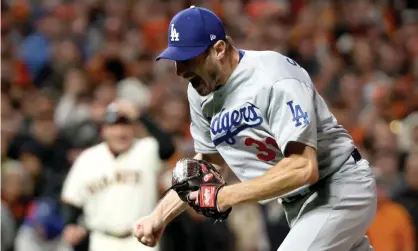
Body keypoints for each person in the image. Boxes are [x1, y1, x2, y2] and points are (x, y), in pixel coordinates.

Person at [133, 6, 377, 251]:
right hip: (298, 204)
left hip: (338, 185)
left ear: (219, 49)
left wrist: (228, 196)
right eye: (176, 59)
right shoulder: (200, 90)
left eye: (188, 59)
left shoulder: (274, 77)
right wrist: (159, 216)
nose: (179, 71)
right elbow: (209, 163)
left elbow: (304, 167)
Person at [61, 100, 165, 251]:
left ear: (133, 128)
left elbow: (168, 146)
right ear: (104, 130)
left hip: (142, 240)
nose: (120, 132)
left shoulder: (146, 149)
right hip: (102, 240)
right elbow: (71, 200)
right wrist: (70, 224)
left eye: (125, 126)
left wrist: (140, 116)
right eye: (114, 126)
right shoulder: (88, 158)